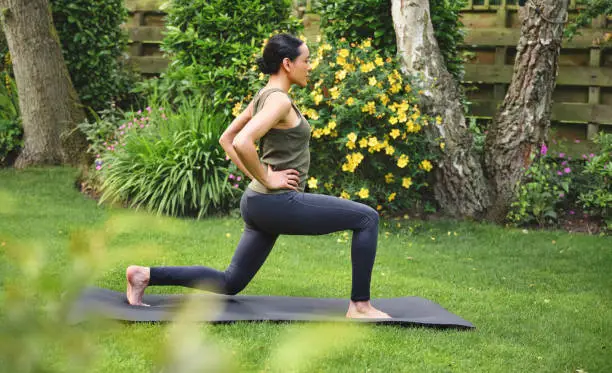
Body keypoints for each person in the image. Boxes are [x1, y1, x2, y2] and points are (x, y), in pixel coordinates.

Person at [126, 33, 390, 319]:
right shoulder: (279, 102)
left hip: (258, 203)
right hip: (276, 202)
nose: (310, 66)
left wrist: (261, 180)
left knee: (230, 282)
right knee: (366, 218)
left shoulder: (264, 96)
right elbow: (241, 142)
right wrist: (268, 178)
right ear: (288, 64)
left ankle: (144, 275)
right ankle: (360, 306)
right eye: (307, 60)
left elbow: (227, 138)